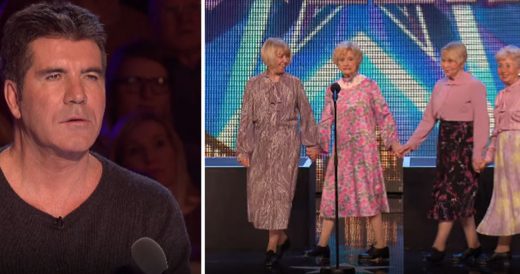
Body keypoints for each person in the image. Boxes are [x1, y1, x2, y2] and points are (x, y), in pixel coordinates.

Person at [0, 3, 190, 273]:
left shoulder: (151, 208)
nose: (78, 94)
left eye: (90, 76)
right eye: (54, 76)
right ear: (14, 97)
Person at [304, 41, 401, 265]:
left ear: (357, 61)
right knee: (332, 196)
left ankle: (381, 246)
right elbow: (326, 120)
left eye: (350, 59)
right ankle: (322, 246)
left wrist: (392, 141)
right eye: (341, 60)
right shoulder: (333, 89)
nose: (346, 64)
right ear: (336, 63)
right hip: (343, 153)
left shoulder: (369, 86)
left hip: (365, 152)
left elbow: (384, 115)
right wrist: (319, 146)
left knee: (369, 197)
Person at [399, 42, 489, 264]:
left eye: (450, 60)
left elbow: (482, 123)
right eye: (443, 60)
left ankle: (438, 247)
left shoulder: (475, 85)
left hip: (464, 149)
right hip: (446, 145)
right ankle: (474, 246)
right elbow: (429, 119)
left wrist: (479, 154)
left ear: (461, 61)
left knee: (450, 196)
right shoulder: (439, 85)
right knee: (461, 199)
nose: (445, 65)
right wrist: (411, 143)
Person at [236, 37, 319, 267]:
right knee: (263, 195)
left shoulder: (294, 83)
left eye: (287, 56)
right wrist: (243, 148)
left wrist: (311, 143)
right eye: (281, 56)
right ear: (270, 57)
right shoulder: (253, 84)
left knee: (280, 194)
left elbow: (307, 114)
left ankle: (272, 246)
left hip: (286, 144)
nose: (285, 60)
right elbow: (245, 119)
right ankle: (281, 237)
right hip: (261, 145)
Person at [111, 111, 201, 271]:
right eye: (135, 150)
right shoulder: (113, 229)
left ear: (175, 150)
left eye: (159, 144)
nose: (150, 157)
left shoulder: (204, 215)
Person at [476, 45, 520, 266]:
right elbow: (497, 132)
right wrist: (488, 157)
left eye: (507, 65)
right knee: (504, 199)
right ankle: (503, 247)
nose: (502, 70)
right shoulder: (500, 95)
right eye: (499, 65)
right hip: (505, 154)